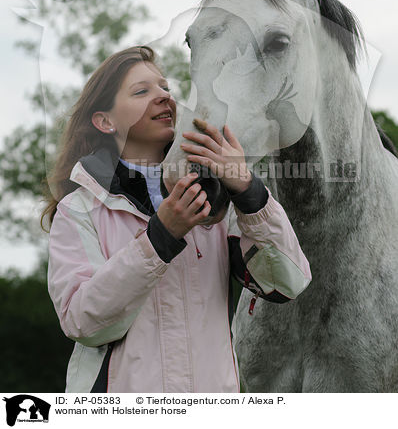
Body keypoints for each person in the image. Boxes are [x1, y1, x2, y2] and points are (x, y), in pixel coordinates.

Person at [43, 45, 311, 393]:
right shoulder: (78, 210)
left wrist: (248, 189)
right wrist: (161, 237)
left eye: (165, 88)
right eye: (141, 91)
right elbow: (84, 322)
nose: (164, 97)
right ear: (105, 121)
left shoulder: (218, 200)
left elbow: (287, 282)